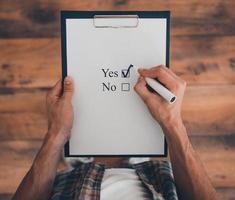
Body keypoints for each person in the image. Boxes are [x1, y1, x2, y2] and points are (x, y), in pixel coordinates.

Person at [13, 65, 217, 200]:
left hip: (74, 186)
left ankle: (84, 161)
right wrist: (173, 124)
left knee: (79, 161)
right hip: (154, 181)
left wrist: (57, 134)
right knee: (137, 161)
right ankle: (134, 162)